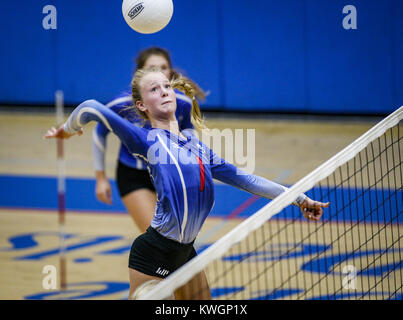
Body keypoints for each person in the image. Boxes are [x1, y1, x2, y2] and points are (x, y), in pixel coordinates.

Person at [44, 67, 330, 300]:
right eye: (153, 89)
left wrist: (299, 198)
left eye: (166, 86)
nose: (163, 91)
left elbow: (246, 179)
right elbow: (92, 108)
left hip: (185, 253)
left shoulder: (200, 149)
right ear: (142, 105)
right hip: (152, 251)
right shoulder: (145, 140)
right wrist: (68, 130)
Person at [93, 47, 205, 232]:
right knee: (159, 236)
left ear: (170, 72)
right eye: (152, 68)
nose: (159, 73)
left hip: (170, 174)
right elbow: (99, 132)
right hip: (134, 175)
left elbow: (189, 132)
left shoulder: (182, 103)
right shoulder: (122, 104)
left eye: (163, 67)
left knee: (179, 237)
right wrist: (100, 178)